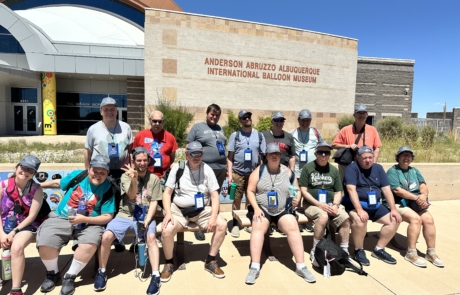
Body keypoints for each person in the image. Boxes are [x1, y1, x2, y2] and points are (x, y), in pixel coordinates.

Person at [37, 155, 116, 295]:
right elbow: (58, 184)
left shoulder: (108, 188)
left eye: (102, 172)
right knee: (45, 240)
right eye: (95, 171)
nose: (98, 175)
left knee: (89, 243)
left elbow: (107, 216)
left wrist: (85, 219)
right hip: (62, 217)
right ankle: (52, 273)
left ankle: (70, 276)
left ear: (107, 173)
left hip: (90, 222)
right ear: (89, 168)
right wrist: (36, 185)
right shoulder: (78, 175)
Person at [93, 147, 162, 294]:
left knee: (151, 238)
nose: (142, 163)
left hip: (145, 215)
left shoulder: (154, 179)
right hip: (125, 215)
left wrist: (148, 220)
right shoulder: (126, 176)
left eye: (145, 160)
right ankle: (102, 271)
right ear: (134, 161)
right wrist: (134, 179)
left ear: (149, 160)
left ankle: (156, 275)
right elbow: (131, 196)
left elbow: (154, 202)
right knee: (106, 237)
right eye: (139, 160)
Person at [244, 143, 316, 285]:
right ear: (266, 156)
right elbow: (250, 191)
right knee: (258, 226)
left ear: (280, 155)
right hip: (263, 208)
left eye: (277, 153)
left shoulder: (288, 172)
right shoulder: (259, 171)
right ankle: (255, 266)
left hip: (282, 209)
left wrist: (297, 198)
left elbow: (296, 189)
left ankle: (301, 266)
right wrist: (256, 208)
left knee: (292, 226)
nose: (274, 156)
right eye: (271, 154)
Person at [160, 141, 227, 282]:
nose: (196, 156)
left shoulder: (207, 169)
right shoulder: (178, 168)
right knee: (166, 231)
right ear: (186, 154)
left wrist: (214, 216)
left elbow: (215, 195)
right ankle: (169, 262)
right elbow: (167, 193)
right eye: (193, 153)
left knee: (222, 225)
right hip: (179, 210)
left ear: (203, 154)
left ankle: (211, 260)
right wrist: (168, 212)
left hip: (201, 210)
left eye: (200, 153)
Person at [342, 146, 402, 266]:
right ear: (358, 157)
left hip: (375, 205)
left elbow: (386, 190)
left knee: (394, 219)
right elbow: (351, 189)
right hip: (355, 204)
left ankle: (379, 249)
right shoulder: (352, 168)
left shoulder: (378, 168)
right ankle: (359, 250)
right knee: (360, 221)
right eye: (364, 158)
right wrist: (359, 210)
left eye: (370, 157)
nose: (368, 160)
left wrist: (394, 209)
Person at [386, 146, 444, 268]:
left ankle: (431, 253)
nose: (406, 157)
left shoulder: (415, 171)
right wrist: (418, 198)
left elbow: (423, 185)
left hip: (414, 203)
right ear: (398, 157)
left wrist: (423, 195)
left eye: (409, 155)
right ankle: (411, 253)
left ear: (412, 158)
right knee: (416, 219)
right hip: (397, 203)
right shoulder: (393, 171)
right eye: (403, 155)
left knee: (428, 219)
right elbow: (397, 190)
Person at [299, 141, 350, 267]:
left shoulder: (333, 170)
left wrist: (335, 205)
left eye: (326, 152)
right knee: (323, 217)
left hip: (331, 203)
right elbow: (304, 191)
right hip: (312, 204)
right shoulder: (308, 168)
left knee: (345, 219)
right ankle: (316, 250)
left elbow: (338, 191)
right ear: (315, 153)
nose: (323, 155)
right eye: (320, 152)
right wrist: (319, 204)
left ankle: (344, 251)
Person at [0, 156, 44, 295]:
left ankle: (16, 289)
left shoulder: (36, 189)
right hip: (2, 224)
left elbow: (31, 216)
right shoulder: (2, 186)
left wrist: (14, 231)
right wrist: (1, 233)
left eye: (30, 171)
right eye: (23, 168)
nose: (25, 172)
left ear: (34, 174)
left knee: (17, 247)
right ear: (17, 166)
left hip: (25, 225)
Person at [186, 104, 227, 241]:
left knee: (215, 196)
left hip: (220, 167)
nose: (214, 117)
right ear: (207, 113)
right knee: (202, 196)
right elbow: (188, 146)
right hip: (204, 167)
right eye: (212, 114)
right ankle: (200, 227)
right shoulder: (198, 127)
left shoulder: (220, 129)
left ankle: (216, 222)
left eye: (217, 115)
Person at [227, 110, 266, 238]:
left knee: (251, 199)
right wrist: (230, 174)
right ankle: (236, 224)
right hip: (238, 172)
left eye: (248, 117)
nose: (246, 119)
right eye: (243, 118)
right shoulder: (235, 135)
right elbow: (230, 156)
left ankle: (249, 223)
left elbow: (263, 156)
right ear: (240, 120)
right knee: (236, 199)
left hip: (253, 173)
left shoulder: (259, 136)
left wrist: (260, 172)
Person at [84, 96, 133, 194]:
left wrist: (132, 169)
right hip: (101, 172)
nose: (109, 112)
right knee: (103, 199)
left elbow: (130, 150)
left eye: (112, 109)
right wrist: (88, 170)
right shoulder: (93, 129)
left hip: (122, 172)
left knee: (121, 199)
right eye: (106, 109)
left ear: (116, 111)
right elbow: (87, 152)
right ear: (101, 112)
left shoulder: (126, 127)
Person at [290, 109, 322, 233]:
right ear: (298, 120)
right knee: (297, 196)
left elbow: (321, 148)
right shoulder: (292, 133)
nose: (305, 122)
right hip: (298, 170)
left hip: (312, 171)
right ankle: (297, 220)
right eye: (303, 120)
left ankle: (308, 221)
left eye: (307, 120)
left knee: (309, 197)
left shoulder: (315, 132)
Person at [332, 104, 382, 180]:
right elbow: (334, 145)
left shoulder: (372, 130)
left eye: (363, 113)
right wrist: (348, 146)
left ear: (367, 115)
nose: (361, 115)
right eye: (359, 113)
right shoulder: (346, 129)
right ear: (354, 115)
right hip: (348, 164)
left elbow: (377, 148)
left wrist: (373, 163)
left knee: (364, 186)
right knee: (346, 185)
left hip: (366, 163)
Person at [132, 110, 178, 178]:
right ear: (150, 120)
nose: (157, 123)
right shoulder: (140, 135)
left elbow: (172, 158)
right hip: (144, 176)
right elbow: (134, 156)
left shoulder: (170, 137)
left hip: (164, 177)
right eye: (154, 121)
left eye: (160, 121)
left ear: (163, 122)